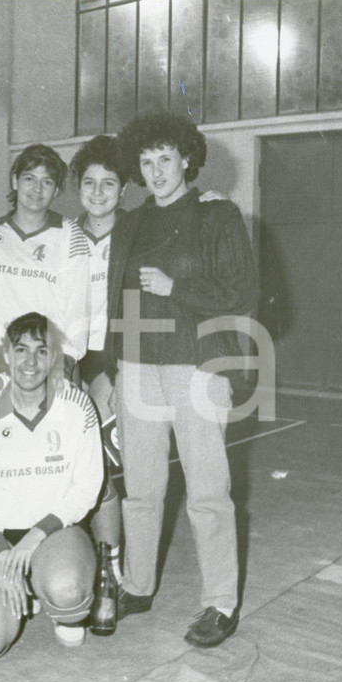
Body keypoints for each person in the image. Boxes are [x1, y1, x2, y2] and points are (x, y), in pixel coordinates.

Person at [105, 112, 258, 648]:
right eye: (145, 162)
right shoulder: (130, 222)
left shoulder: (218, 215)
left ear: (187, 158)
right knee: (141, 491)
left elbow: (241, 293)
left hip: (197, 365)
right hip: (138, 367)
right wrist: (113, 366)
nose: (155, 171)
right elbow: (112, 301)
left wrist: (176, 286)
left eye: (165, 158)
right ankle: (138, 586)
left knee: (207, 492)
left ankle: (220, 602)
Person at [0, 312, 103, 658]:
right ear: (6, 355)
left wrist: (33, 540)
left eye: (42, 351)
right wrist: (2, 554)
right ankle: (19, 583)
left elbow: (87, 486)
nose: (31, 362)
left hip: (51, 534)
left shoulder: (76, 405)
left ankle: (52, 595)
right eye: (21, 350)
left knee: (69, 593)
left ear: (54, 357)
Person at [0, 144, 90, 391]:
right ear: (15, 181)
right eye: (29, 178)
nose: (37, 189)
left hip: (45, 361)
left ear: (57, 190)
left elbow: (77, 309)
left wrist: (65, 364)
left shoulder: (70, 234)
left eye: (47, 182)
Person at [68, 134, 128, 580]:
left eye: (109, 184)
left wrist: (112, 370)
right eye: (90, 183)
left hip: (120, 361)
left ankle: (112, 563)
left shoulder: (138, 235)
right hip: (71, 363)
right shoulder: (65, 237)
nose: (99, 193)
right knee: (74, 463)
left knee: (113, 470)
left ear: (123, 189)